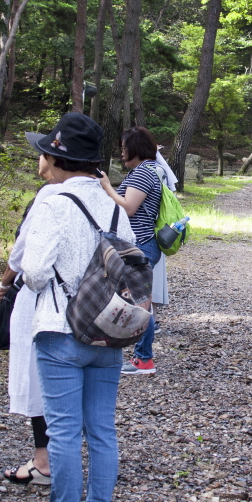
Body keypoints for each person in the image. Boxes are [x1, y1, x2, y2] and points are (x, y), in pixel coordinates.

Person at [18, 113, 123, 502]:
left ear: (58, 158)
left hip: (61, 331)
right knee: (101, 430)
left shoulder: (53, 203)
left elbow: (35, 272)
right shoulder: (113, 206)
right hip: (107, 332)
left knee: (62, 432)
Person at [0, 198, 51, 486]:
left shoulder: (49, 197)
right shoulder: (105, 198)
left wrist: (6, 282)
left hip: (44, 305)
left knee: (38, 381)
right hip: (90, 309)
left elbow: (23, 251)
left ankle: (44, 463)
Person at [101, 127, 163, 376]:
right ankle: (140, 356)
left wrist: (107, 187)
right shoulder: (149, 170)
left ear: (136, 148)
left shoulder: (142, 173)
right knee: (139, 302)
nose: (122, 153)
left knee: (139, 305)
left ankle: (144, 360)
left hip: (140, 245)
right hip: (143, 245)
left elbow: (128, 208)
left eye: (124, 148)